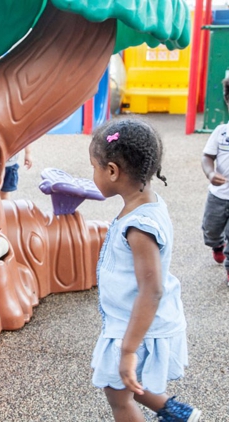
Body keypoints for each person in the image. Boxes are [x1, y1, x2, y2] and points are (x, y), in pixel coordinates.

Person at [89, 118, 201, 421]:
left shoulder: (139, 227)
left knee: (118, 394)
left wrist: (128, 350)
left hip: (137, 326)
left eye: (94, 167)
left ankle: (171, 411)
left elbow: (151, 290)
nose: (93, 174)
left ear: (112, 171)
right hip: (134, 320)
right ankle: (174, 412)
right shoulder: (146, 204)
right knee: (127, 384)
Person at [201, 77, 229, 284]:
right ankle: (216, 244)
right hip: (218, 196)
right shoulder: (221, 132)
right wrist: (210, 174)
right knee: (211, 230)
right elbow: (207, 157)